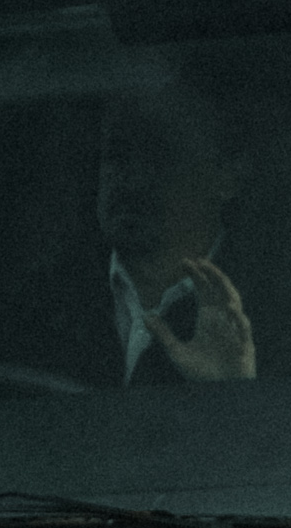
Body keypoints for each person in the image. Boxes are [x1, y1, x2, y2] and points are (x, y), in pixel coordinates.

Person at [93, 93, 259, 384]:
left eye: (158, 155)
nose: (131, 179)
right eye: (117, 154)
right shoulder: (39, 306)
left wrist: (234, 388)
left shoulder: (289, 319)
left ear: (228, 176)